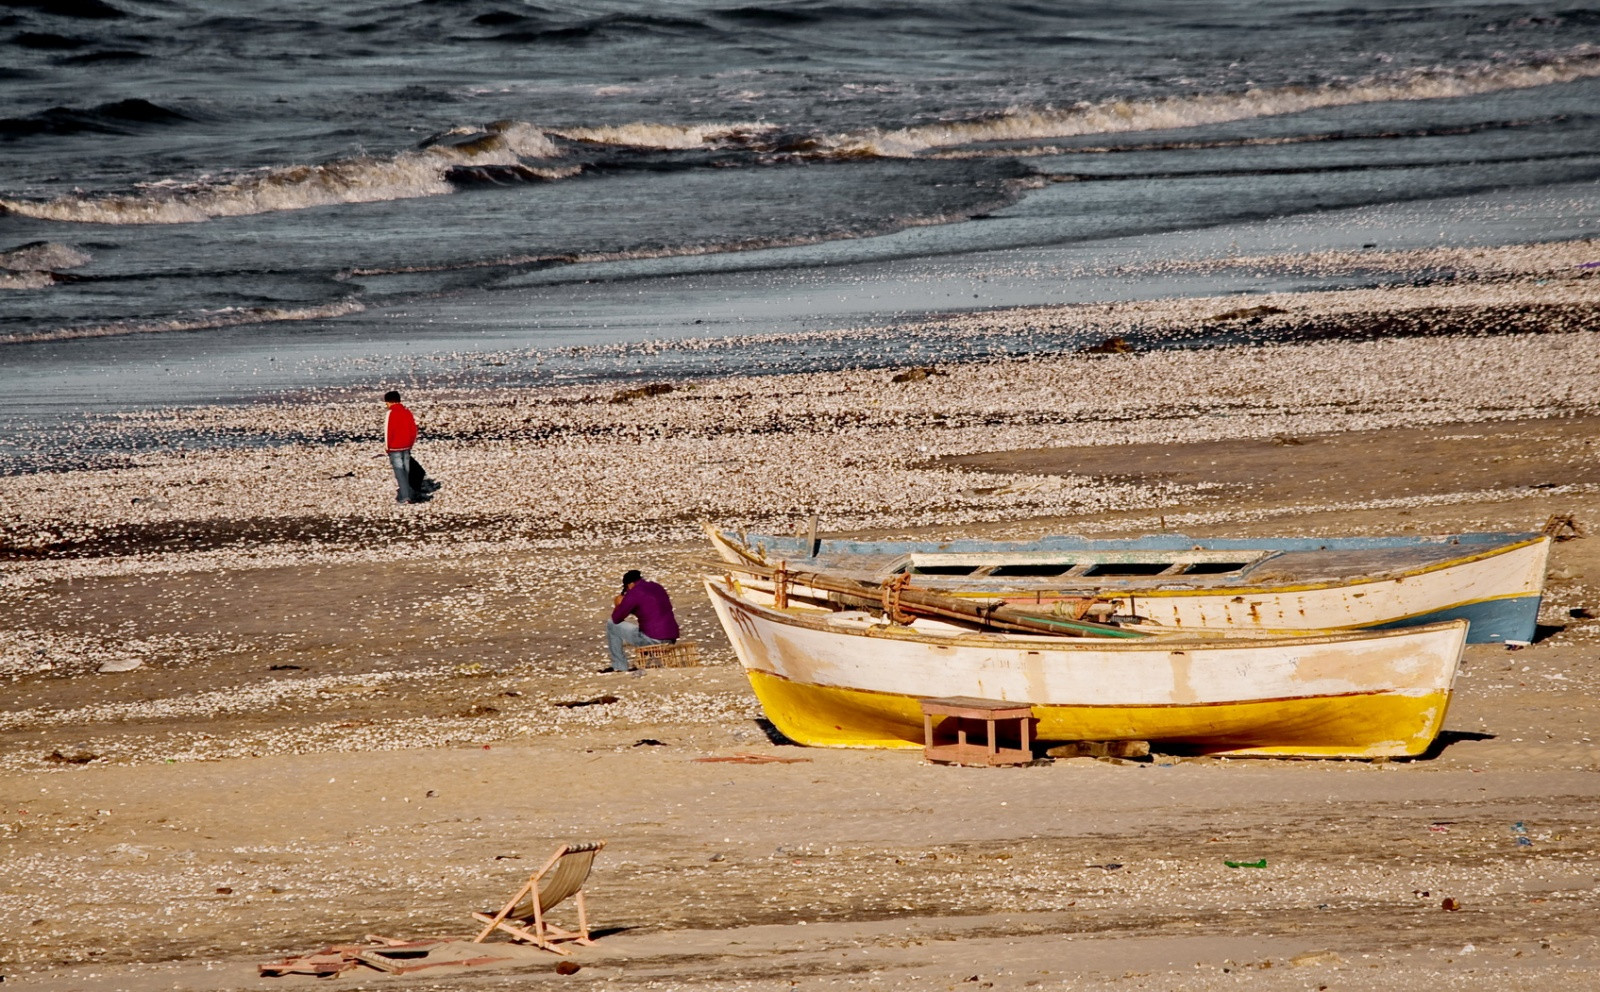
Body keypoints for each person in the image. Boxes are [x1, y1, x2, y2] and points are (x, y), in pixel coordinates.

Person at [607, 569, 680, 673]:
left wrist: (618, 605)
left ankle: (619, 666)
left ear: (630, 584)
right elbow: (649, 609)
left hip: (653, 640)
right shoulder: (656, 586)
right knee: (647, 627)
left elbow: (616, 618)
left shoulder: (634, 592)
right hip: (671, 638)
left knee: (611, 625)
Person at [383, 389, 420, 504]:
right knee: (407, 471)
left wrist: (387, 447)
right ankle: (410, 493)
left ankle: (405, 497)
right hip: (406, 446)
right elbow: (413, 429)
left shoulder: (390, 413)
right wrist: (411, 443)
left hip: (395, 447)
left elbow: (388, 431)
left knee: (400, 473)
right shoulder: (407, 412)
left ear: (390, 402)